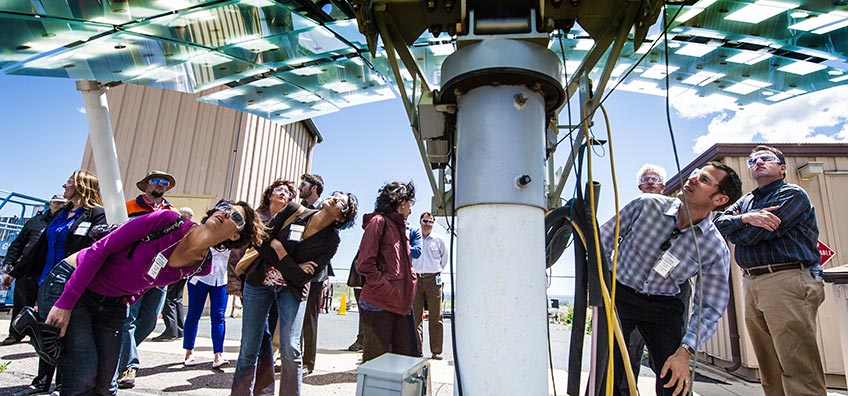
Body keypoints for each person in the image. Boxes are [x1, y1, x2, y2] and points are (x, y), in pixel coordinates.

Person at [42, 200, 262, 395]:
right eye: (224, 207)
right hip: (73, 284)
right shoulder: (168, 220)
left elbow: (151, 278)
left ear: (235, 236)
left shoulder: (202, 266)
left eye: (235, 216)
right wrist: (65, 302)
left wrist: (132, 295)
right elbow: (101, 248)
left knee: (106, 386)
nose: (224, 213)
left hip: (112, 302)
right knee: (82, 375)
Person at [600, 162, 742, 396]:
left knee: (674, 379)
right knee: (607, 371)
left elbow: (710, 306)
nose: (693, 179)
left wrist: (685, 351)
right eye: (696, 174)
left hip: (664, 306)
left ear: (719, 200)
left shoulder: (714, 248)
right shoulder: (645, 206)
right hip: (620, 293)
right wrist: (599, 288)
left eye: (705, 180)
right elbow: (603, 241)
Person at [715, 145, 826, 396]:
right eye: (753, 160)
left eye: (766, 159)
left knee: (796, 359)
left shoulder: (792, 194)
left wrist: (743, 225)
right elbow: (718, 224)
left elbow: (756, 235)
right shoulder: (747, 201)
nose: (758, 162)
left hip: (786, 279)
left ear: (782, 168)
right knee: (768, 361)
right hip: (753, 281)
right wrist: (745, 218)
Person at [232, 191, 357, 396]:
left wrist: (280, 251)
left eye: (341, 201)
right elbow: (262, 238)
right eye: (336, 195)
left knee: (291, 346)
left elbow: (302, 278)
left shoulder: (331, 241)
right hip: (259, 282)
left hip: (292, 290)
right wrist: (294, 265)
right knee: (249, 347)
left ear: (341, 217)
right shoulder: (294, 210)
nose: (335, 198)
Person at [11, 171, 107, 396]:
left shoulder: (96, 214)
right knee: (46, 330)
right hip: (46, 280)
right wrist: (16, 272)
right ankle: (41, 381)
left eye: (69, 182)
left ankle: (64, 385)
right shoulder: (61, 212)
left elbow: (94, 251)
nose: (64, 185)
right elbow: (40, 247)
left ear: (82, 186)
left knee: (66, 333)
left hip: (71, 282)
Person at [228, 179, 296, 395]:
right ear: (269, 195)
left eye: (288, 192)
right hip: (255, 283)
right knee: (252, 342)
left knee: (267, 337)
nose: (283, 194)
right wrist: (236, 282)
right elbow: (238, 250)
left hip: (283, 286)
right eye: (279, 190)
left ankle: (264, 390)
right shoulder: (255, 218)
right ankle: (243, 391)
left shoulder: (294, 221)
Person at [117, 170, 182, 389]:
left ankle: (118, 354)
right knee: (129, 318)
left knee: (150, 319)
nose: (160, 185)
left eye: (165, 183)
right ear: (146, 184)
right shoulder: (128, 207)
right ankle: (128, 365)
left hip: (160, 273)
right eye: (156, 181)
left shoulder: (173, 211)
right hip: (133, 270)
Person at [620, 164, 669, 393]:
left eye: (655, 178)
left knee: (665, 354)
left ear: (663, 185)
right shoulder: (634, 210)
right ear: (640, 186)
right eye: (646, 179)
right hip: (633, 290)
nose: (650, 181)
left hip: (668, 294)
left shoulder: (678, 211)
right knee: (628, 350)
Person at [356, 181, 418, 363]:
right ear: (401, 202)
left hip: (399, 306)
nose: (411, 209)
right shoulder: (378, 222)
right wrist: (386, 288)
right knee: (376, 363)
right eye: (410, 203)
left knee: (399, 363)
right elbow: (365, 264)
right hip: (379, 304)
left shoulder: (401, 228)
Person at [1, 195, 66, 346]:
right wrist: (10, 262)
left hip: (50, 268)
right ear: (50, 204)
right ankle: (15, 334)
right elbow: (18, 244)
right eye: (56, 203)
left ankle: (39, 336)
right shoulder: (35, 222)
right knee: (22, 301)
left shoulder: (62, 223)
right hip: (28, 267)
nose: (59, 206)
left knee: (45, 304)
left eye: (62, 204)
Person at [297, 173, 330, 375]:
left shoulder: (325, 210)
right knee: (294, 318)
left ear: (314, 188)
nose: (300, 187)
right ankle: (291, 358)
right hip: (295, 269)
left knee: (309, 319)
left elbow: (327, 243)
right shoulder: (299, 209)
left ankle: (307, 362)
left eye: (304, 184)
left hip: (315, 273)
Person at [183, 241, 231, 368]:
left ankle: (218, 355)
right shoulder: (206, 233)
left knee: (219, 316)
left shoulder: (232, 236)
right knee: (193, 314)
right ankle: (189, 352)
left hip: (221, 279)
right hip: (200, 278)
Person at [411, 212, 447, 360]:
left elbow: (444, 260)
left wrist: (434, 272)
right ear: (420, 222)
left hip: (433, 280)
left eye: (431, 221)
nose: (428, 224)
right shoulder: (414, 238)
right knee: (414, 317)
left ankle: (436, 351)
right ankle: (416, 350)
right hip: (416, 280)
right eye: (425, 221)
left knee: (436, 316)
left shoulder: (439, 240)